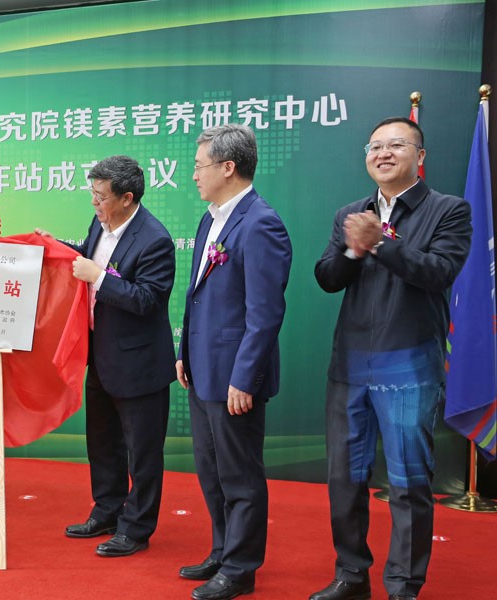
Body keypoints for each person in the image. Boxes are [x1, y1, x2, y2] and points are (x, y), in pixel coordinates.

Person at [311, 117, 472, 600]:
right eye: (374, 146)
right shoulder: (351, 213)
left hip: (410, 365)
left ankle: (403, 585)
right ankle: (350, 574)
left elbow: (439, 272)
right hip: (349, 365)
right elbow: (327, 277)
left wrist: (380, 242)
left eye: (396, 145)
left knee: (407, 481)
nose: (382, 153)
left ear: (419, 156)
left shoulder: (448, 210)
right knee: (344, 478)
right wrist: (354, 249)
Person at [37, 155, 176, 558]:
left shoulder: (155, 240)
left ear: (127, 198)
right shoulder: (101, 223)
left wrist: (97, 278)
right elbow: (88, 256)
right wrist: (57, 248)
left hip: (139, 364)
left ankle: (136, 528)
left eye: (100, 196)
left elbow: (147, 299)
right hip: (100, 354)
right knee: (102, 442)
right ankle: (107, 510)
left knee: (142, 452)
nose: (93, 202)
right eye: (92, 193)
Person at [175, 124, 291, 600]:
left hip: (235, 378)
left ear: (228, 167)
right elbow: (197, 296)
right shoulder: (211, 219)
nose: (194, 175)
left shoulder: (261, 223)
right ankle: (222, 551)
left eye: (199, 166)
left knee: (240, 476)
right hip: (202, 369)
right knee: (212, 471)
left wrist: (245, 377)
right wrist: (184, 354)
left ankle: (241, 569)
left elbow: (265, 313)